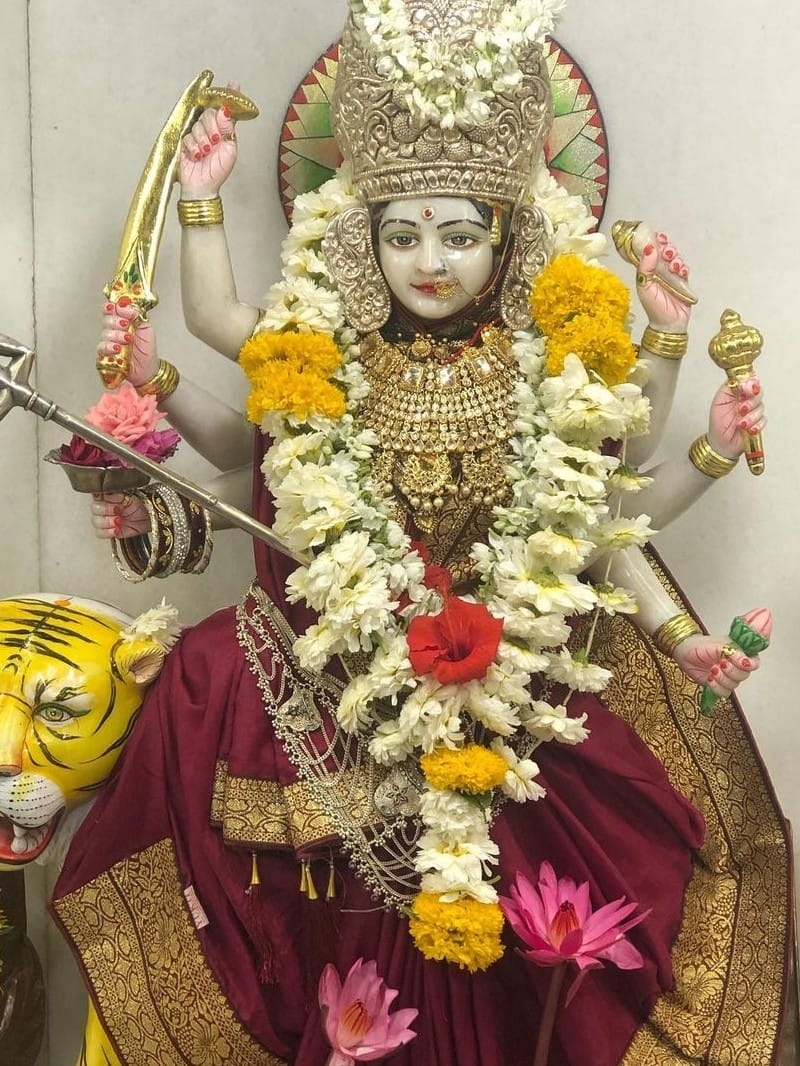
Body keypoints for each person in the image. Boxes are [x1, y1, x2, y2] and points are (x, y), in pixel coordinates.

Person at [51, 3, 790, 1065]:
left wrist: (689, 576)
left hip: (510, 664)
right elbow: (223, 341)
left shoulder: (543, 367)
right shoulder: (330, 353)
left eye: (459, 236)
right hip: (338, 656)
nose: (428, 263)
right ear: (364, 241)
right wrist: (200, 205)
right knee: (202, 688)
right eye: (401, 236)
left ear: (508, 240)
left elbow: (602, 518)